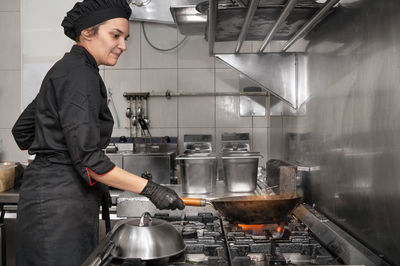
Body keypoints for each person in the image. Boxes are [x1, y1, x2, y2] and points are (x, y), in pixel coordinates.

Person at [11, 0, 184, 265]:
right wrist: (151, 189)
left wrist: (55, 152)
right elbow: (89, 161)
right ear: (87, 32)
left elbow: (22, 132)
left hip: (55, 198)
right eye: (115, 35)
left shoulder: (67, 69)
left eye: (125, 38)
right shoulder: (81, 74)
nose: (123, 45)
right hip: (59, 207)